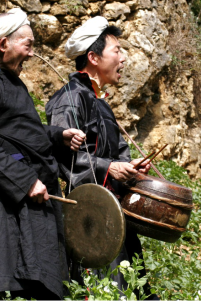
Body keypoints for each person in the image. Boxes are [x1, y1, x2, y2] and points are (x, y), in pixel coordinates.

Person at [0, 8, 86, 300]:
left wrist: (58, 135)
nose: (32, 54)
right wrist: (24, 182)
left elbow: (21, 130)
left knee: (44, 278)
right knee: (14, 281)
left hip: (36, 192)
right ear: (4, 43)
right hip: (13, 197)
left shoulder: (7, 78)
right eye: (28, 44)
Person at [45, 16, 158, 299]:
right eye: (116, 51)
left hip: (111, 213)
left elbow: (117, 150)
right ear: (93, 57)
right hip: (88, 217)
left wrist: (130, 166)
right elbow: (65, 159)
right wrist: (110, 167)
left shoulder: (99, 101)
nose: (123, 59)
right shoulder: (70, 98)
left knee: (125, 285)